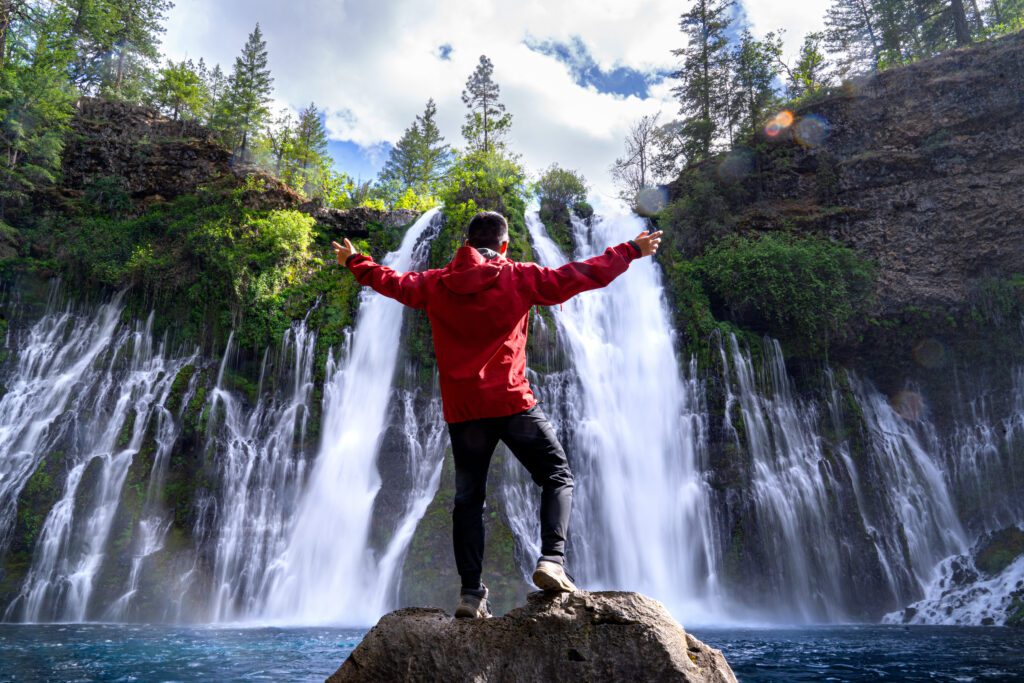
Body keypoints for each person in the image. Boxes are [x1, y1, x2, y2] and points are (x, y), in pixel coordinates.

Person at [333, 211, 662, 619]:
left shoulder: (435, 283)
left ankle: (471, 594)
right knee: (557, 476)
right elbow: (578, 276)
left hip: (465, 411)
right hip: (511, 402)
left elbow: (393, 283)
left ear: (466, 243)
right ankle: (552, 561)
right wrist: (630, 250)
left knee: (469, 501)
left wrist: (355, 261)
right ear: (504, 245)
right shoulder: (519, 276)